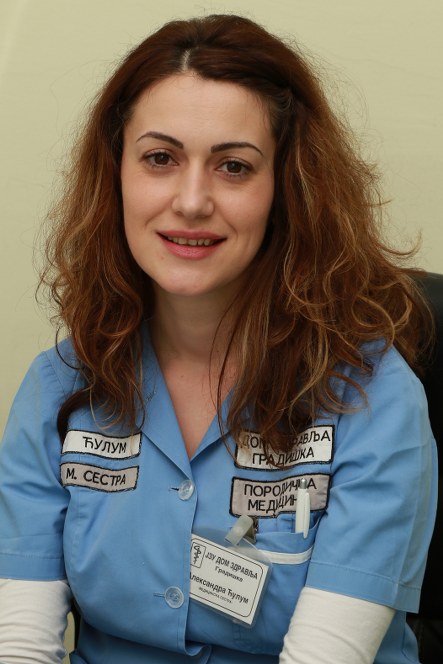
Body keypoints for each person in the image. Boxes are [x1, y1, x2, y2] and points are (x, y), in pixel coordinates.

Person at [0, 13, 437, 664]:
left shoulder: (369, 395)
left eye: (233, 166)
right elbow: (21, 644)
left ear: (286, 188)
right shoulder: (60, 386)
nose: (191, 200)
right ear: (116, 173)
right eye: (160, 159)